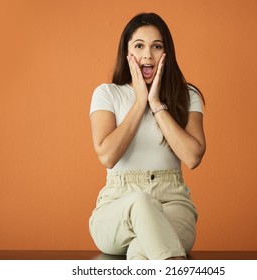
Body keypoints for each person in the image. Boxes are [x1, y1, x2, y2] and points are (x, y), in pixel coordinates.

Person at [89, 12, 206, 260]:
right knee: (141, 202)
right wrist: (140, 100)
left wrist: (155, 103)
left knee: (143, 250)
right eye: (139, 46)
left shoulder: (187, 95)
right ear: (127, 53)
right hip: (118, 206)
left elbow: (193, 156)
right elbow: (108, 156)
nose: (147, 55)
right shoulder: (107, 94)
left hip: (172, 203)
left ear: (167, 53)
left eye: (156, 46)